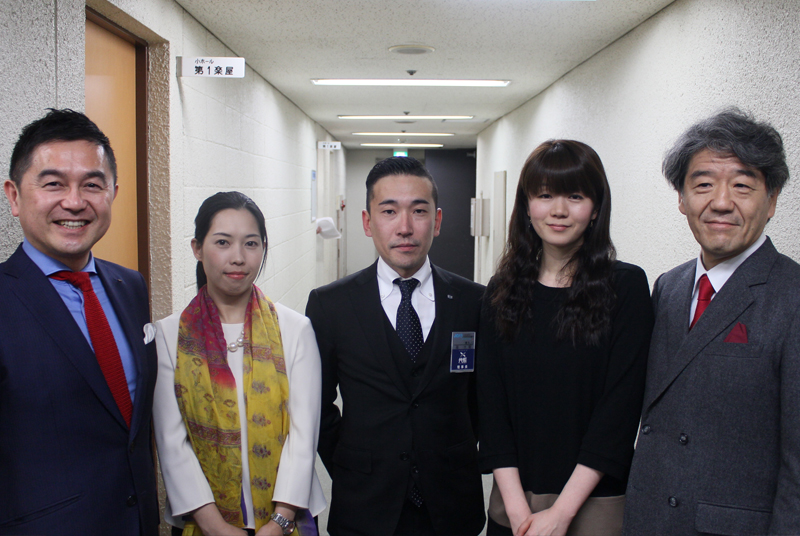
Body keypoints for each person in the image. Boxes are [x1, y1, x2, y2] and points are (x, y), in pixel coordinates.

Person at [622, 109, 800, 535]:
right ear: (682, 199)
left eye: (742, 185)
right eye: (703, 184)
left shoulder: (791, 295)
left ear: (772, 200)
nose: (721, 202)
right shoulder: (669, 286)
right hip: (649, 520)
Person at [478, 140, 653, 536]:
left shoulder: (625, 288)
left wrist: (561, 514)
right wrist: (518, 512)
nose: (559, 210)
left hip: (595, 509)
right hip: (514, 509)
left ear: (596, 208)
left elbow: (619, 411)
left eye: (575, 196)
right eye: (545, 195)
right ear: (526, 206)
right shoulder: (499, 292)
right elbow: (491, 408)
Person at [305, 157, 486, 536]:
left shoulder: (474, 301)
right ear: (367, 222)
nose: (405, 227)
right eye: (389, 211)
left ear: (437, 220)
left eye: (418, 211)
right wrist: (353, 464)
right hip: (364, 505)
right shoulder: (331, 305)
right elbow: (315, 405)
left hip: (452, 504)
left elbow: (483, 398)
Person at [0, 109, 158, 535]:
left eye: (92, 184)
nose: (74, 201)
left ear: (113, 194)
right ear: (14, 196)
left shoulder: (130, 286)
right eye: (53, 184)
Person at [153, 191, 325, 536]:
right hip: (204, 523)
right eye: (222, 242)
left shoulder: (295, 330)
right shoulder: (169, 336)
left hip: (286, 520)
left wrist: (280, 520)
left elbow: (303, 435)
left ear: (263, 248)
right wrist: (215, 527)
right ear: (197, 248)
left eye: (251, 244)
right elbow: (172, 443)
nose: (238, 258)